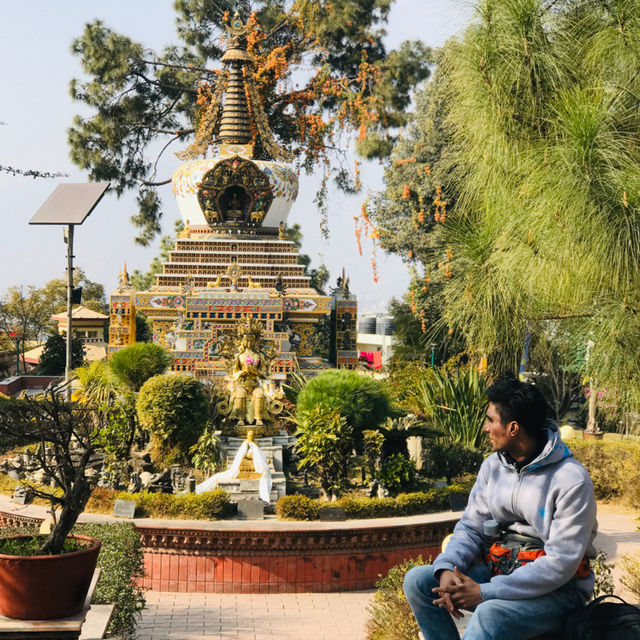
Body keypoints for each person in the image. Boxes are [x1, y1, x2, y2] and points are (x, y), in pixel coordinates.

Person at [404, 379, 597, 640]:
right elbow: (471, 527)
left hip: (559, 592)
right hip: (499, 567)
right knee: (419, 581)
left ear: (513, 428)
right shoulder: (493, 467)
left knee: (490, 614)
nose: (485, 428)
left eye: (490, 420)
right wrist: (448, 567)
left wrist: (485, 592)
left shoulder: (571, 480)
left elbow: (560, 564)